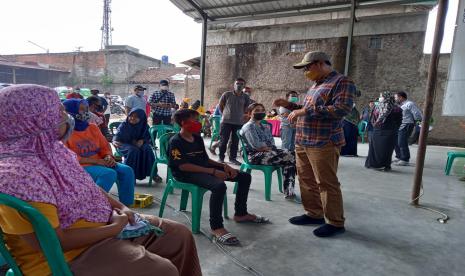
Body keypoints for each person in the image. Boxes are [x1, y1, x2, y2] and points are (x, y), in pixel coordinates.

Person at [0, 84, 201, 276]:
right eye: (58, 112)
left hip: (101, 224)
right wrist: (113, 228)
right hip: (68, 256)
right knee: (163, 271)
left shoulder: (54, 150)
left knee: (179, 235)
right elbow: (49, 241)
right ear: (34, 121)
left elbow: (88, 187)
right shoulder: (17, 177)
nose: (66, 117)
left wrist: (123, 208)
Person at [274, 51, 356, 237]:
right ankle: (314, 213)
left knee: (327, 183)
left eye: (307, 67)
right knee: (305, 179)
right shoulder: (316, 84)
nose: (305, 71)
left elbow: (341, 109)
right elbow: (306, 110)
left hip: (323, 141)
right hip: (303, 140)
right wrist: (290, 106)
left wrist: (303, 111)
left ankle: (335, 222)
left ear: (319, 63)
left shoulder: (342, 82)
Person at [168, 109, 269, 246]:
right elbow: (183, 166)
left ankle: (241, 213)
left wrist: (223, 166)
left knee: (244, 177)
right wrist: (213, 172)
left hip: (202, 168)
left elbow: (205, 159)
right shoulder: (176, 141)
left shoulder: (197, 137)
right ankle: (216, 227)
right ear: (183, 123)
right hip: (185, 174)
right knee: (219, 186)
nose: (199, 123)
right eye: (195, 120)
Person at [63, 98, 135, 206]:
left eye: (86, 109)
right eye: (82, 110)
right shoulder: (64, 131)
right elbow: (68, 157)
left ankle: (126, 206)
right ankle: (94, 207)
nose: (86, 113)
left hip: (100, 162)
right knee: (108, 174)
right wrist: (97, 162)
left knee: (127, 170)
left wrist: (108, 157)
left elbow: (104, 146)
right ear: (70, 112)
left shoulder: (92, 127)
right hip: (80, 165)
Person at [241, 103, 297, 199]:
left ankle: (289, 191)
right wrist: (265, 147)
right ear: (250, 113)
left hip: (267, 152)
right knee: (290, 156)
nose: (260, 112)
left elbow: (272, 142)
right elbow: (256, 146)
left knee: (290, 156)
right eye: (257, 111)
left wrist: (266, 147)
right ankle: (289, 191)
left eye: (262, 110)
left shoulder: (264, 126)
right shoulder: (249, 127)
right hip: (254, 156)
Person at [113, 109, 157, 182]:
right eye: (131, 115)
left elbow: (149, 137)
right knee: (133, 150)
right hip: (124, 144)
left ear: (142, 118)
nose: (132, 118)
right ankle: (129, 175)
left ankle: (153, 173)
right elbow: (117, 135)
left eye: (136, 117)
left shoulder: (145, 126)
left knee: (147, 148)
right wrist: (114, 141)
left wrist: (142, 140)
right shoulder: (124, 124)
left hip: (138, 144)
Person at [365, 92, 403, 171]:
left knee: (386, 150)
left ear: (387, 97)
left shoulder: (396, 109)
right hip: (377, 130)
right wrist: (375, 125)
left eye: (381, 96)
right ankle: (374, 164)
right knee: (375, 148)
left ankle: (385, 165)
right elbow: (372, 118)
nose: (380, 98)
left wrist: (394, 129)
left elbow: (399, 121)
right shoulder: (376, 107)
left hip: (389, 132)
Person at [217, 78, 251, 165]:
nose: (239, 85)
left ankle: (233, 158)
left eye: (241, 84)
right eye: (237, 83)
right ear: (234, 84)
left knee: (235, 142)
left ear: (244, 86)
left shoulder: (246, 97)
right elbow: (221, 105)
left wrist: (243, 117)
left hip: (239, 123)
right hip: (226, 122)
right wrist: (225, 114)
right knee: (223, 140)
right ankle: (221, 158)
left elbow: (247, 109)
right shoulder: (227, 94)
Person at [394, 91, 422, 166]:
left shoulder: (410, 104)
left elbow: (417, 114)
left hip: (407, 124)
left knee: (402, 141)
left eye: (396, 97)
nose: (395, 99)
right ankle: (399, 157)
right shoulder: (400, 105)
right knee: (396, 142)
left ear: (401, 97)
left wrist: (419, 124)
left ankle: (405, 159)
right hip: (400, 125)